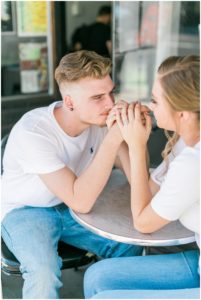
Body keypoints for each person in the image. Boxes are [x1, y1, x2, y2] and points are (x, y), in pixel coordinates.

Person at [1, 50, 143, 299]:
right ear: (69, 103)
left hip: (69, 206)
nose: (110, 104)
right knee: (43, 272)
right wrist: (112, 139)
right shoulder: (33, 131)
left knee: (128, 243)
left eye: (111, 92)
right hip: (24, 209)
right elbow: (81, 201)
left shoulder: (98, 122)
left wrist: (132, 136)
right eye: (98, 97)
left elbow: (136, 178)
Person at [84, 55, 200, 298]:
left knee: (104, 295)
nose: (150, 105)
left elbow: (143, 223)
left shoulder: (193, 162)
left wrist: (136, 146)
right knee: (97, 276)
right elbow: (151, 187)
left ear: (184, 114)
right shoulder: (186, 141)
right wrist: (135, 139)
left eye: (156, 101)